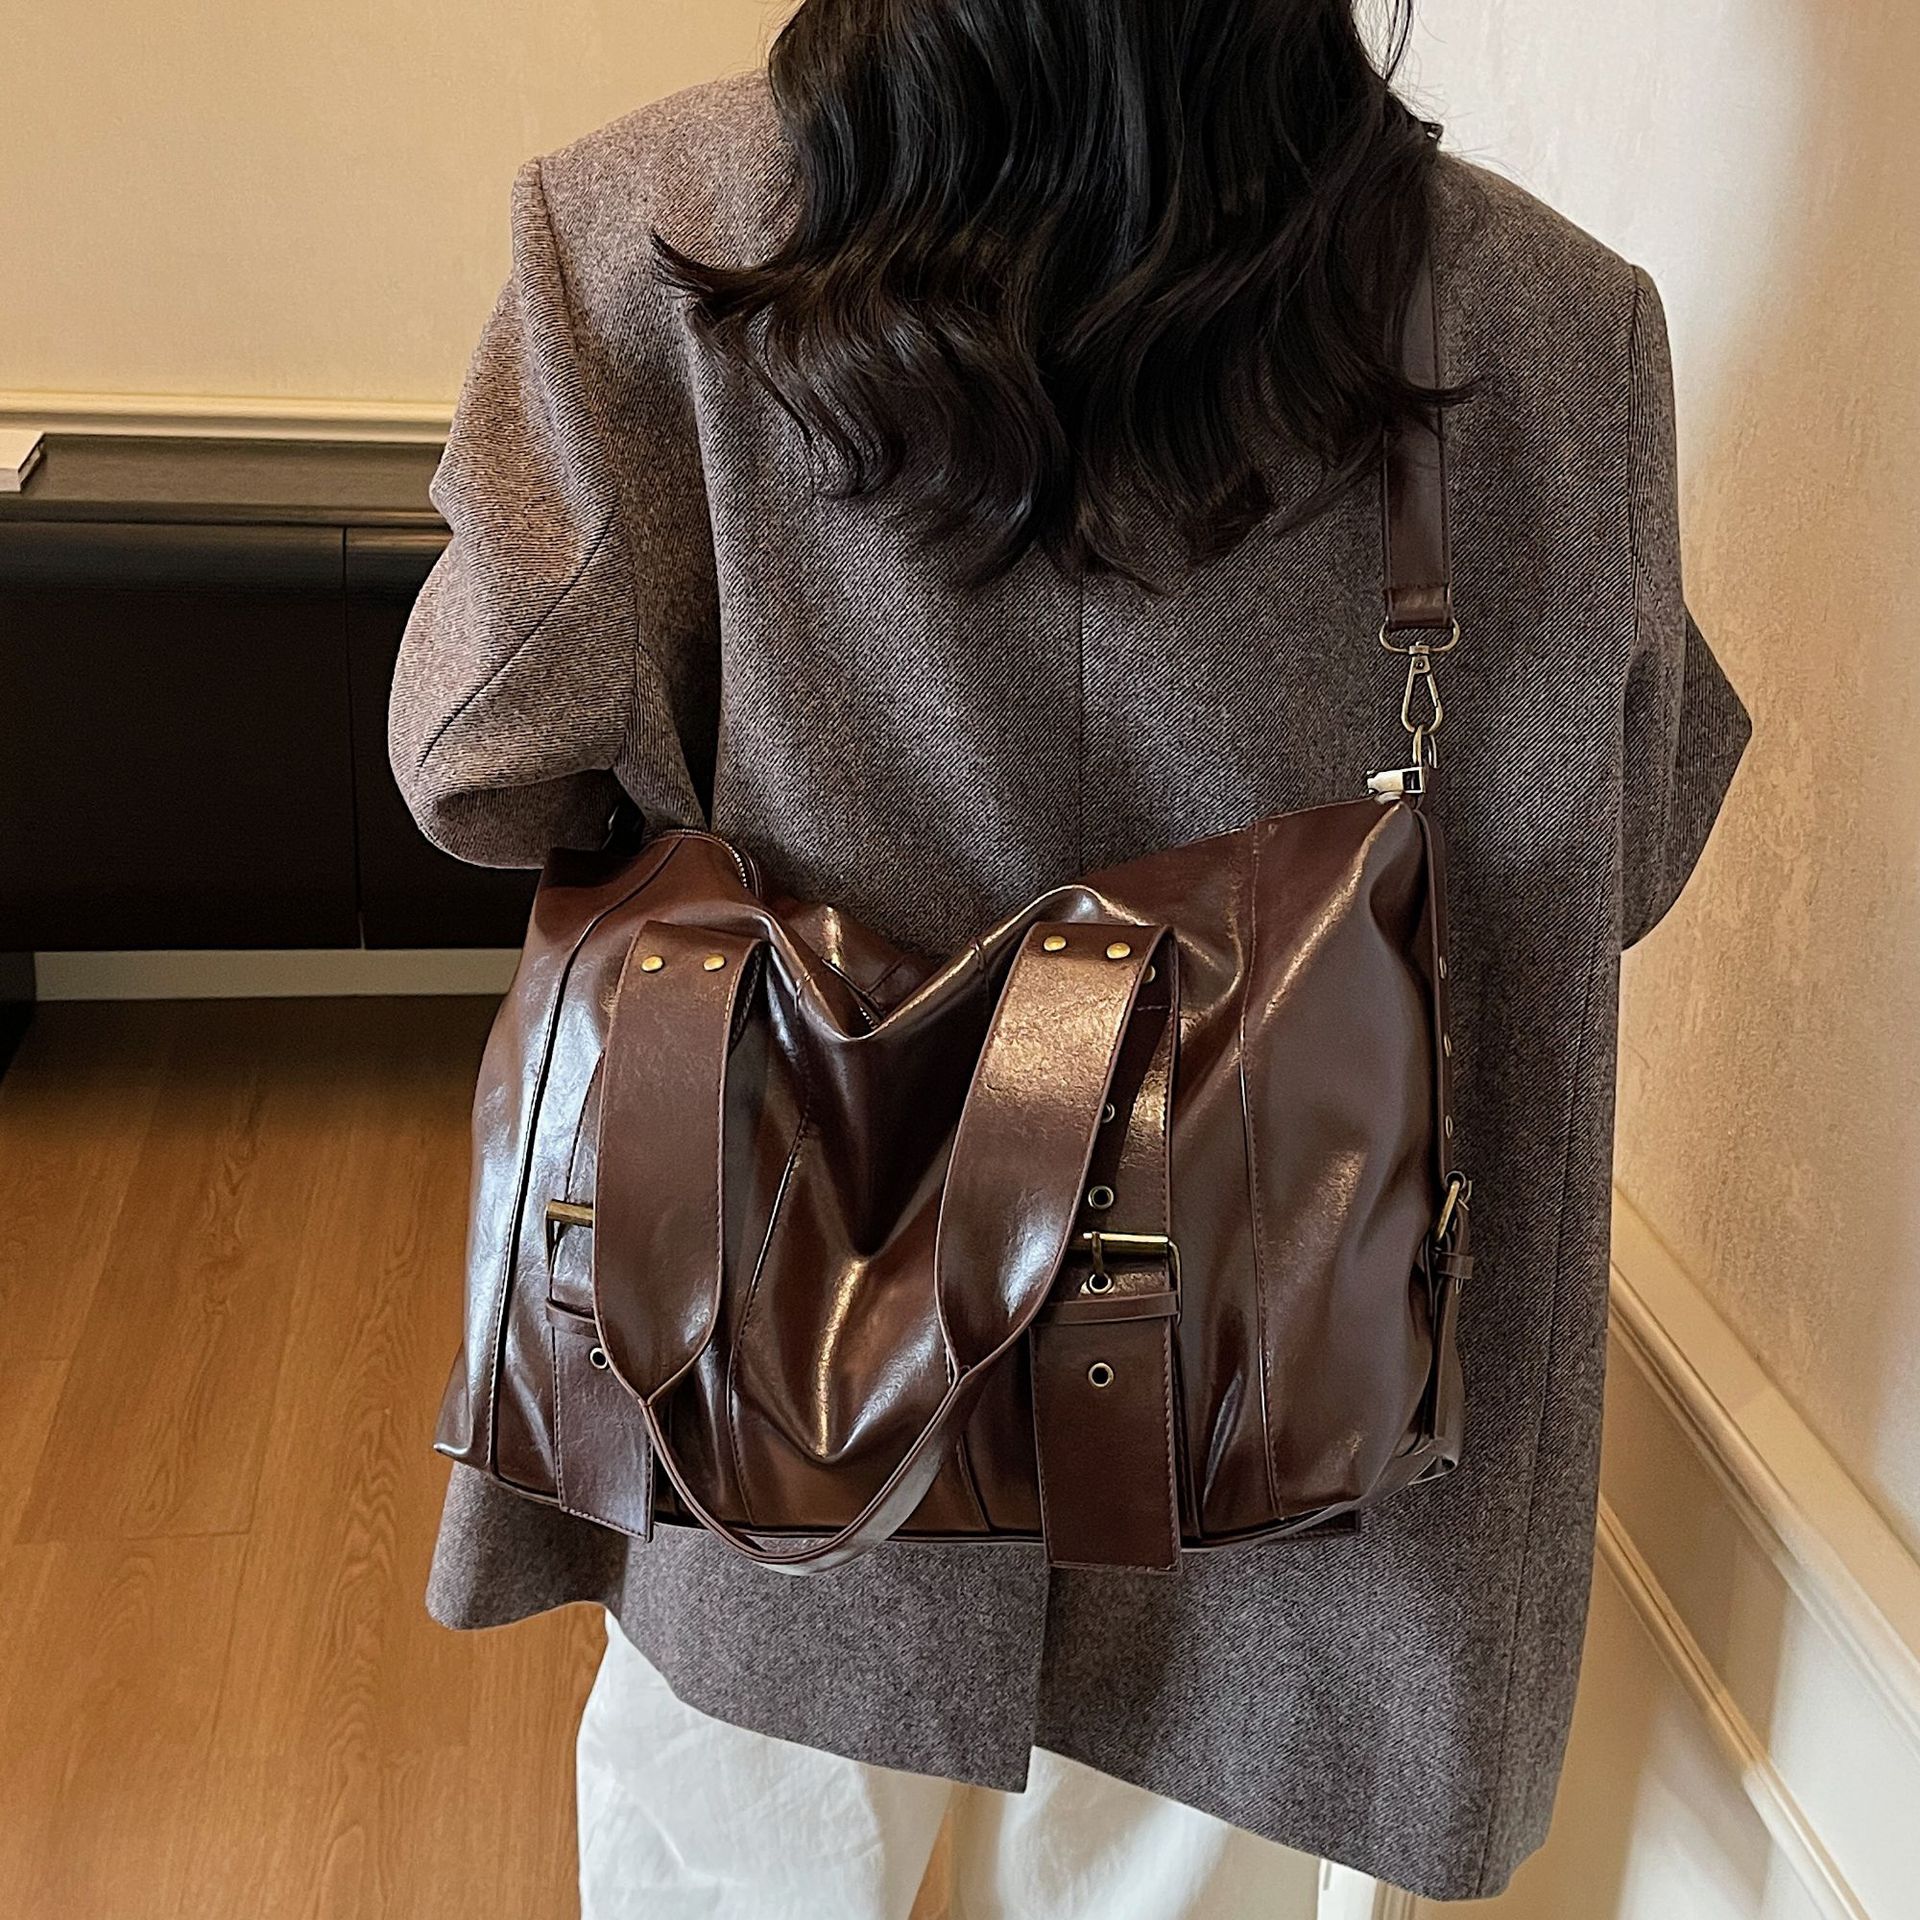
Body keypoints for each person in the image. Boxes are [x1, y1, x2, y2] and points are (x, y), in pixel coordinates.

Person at [389, 2, 1750, 1913]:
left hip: (776, 1394)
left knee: (745, 1858)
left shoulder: (646, 229)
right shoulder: (1544, 322)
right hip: (1279, 1442)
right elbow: (1617, 849)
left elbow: (481, 759)